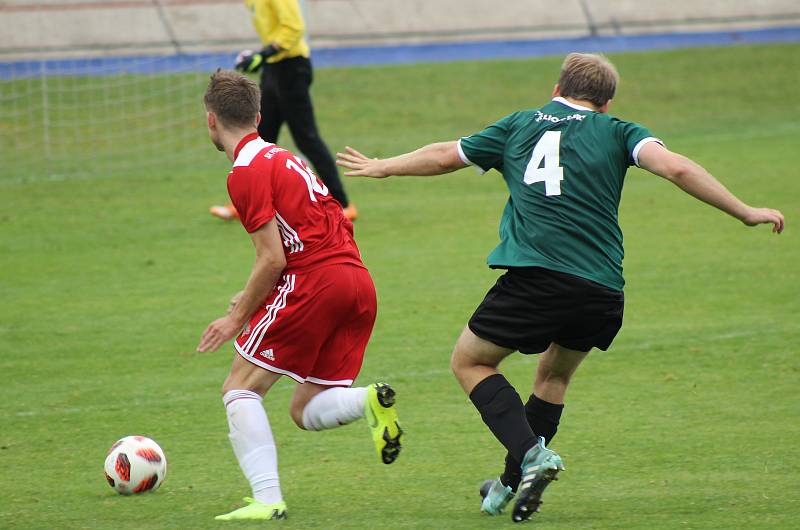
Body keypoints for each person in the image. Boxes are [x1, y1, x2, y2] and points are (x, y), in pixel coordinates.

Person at [336, 53, 784, 523]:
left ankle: (532, 456)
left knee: (469, 362)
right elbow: (677, 168)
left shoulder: (519, 124)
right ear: (606, 103)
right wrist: (745, 211)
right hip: (602, 291)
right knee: (553, 378)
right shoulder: (621, 131)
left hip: (538, 280)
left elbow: (448, 154)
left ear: (556, 87)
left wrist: (385, 166)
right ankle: (508, 485)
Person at [199, 70, 401, 521]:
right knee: (305, 408)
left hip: (315, 284)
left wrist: (236, 318)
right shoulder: (288, 159)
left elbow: (273, 259)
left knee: (239, 388)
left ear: (211, 121)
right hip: (357, 280)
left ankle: (267, 499)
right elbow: (306, 235)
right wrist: (252, 295)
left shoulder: (246, 172)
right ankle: (368, 399)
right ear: (257, 115)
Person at [210, 0, 357, 222]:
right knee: (259, 137)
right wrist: (261, 57)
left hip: (292, 68)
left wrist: (265, 53)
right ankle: (246, 203)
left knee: (307, 138)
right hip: (275, 69)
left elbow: (294, 27)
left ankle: (343, 204)